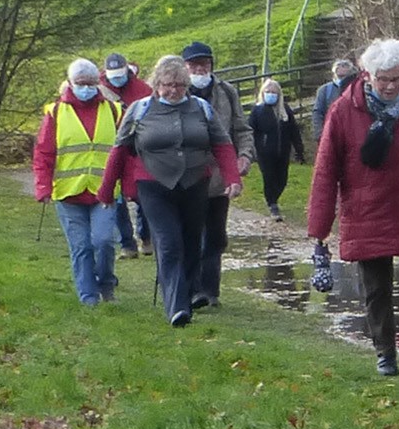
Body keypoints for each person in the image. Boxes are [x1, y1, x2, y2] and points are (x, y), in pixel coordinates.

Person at [306, 37, 399, 373]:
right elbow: (326, 168)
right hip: (367, 209)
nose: (390, 86)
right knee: (375, 286)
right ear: (367, 76)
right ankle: (385, 351)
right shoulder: (343, 111)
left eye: (396, 79)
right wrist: (319, 227)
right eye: (383, 79)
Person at [115, 61, 223, 326]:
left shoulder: (201, 109)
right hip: (152, 185)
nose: (173, 90)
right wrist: (109, 190)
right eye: (167, 85)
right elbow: (119, 151)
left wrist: (232, 178)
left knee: (191, 243)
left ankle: (184, 297)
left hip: (195, 183)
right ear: (156, 84)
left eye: (179, 85)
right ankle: (176, 307)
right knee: (168, 242)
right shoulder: (139, 110)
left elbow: (223, 144)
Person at [30, 59, 129, 304]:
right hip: (68, 193)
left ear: (98, 83)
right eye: (80, 83)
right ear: (71, 84)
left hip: (103, 193)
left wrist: (129, 186)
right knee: (81, 247)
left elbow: (127, 152)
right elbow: (43, 153)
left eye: (90, 83)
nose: (85, 88)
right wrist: (43, 186)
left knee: (104, 242)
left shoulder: (115, 111)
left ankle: (107, 285)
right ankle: (88, 297)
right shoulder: (56, 113)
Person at [177, 43, 241, 313]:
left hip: (217, 181)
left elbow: (241, 128)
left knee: (215, 237)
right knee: (190, 235)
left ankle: (210, 291)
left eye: (204, 64)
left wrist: (244, 157)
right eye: (193, 65)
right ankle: (190, 289)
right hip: (187, 178)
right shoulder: (175, 93)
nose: (199, 69)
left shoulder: (226, 92)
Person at [104, 57, 150, 256]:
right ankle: (126, 244)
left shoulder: (143, 90)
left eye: (120, 76)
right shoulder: (99, 90)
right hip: (110, 147)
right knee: (117, 198)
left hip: (138, 149)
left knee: (144, 194)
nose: (117, 80)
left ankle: (146, 237)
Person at [249, 74, 302, 214]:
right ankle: (272, 203)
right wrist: (252, 150)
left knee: (282, 179)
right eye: (268, 92)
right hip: (265, 152)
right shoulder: (258, 110)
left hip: (283, 151)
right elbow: (251, 131)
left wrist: (299, 149)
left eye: (273, 92)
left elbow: (294, 131)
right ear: (262, 93)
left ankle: (275, 198)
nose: (270, 95)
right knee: (269, 177)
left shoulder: (285, 110)